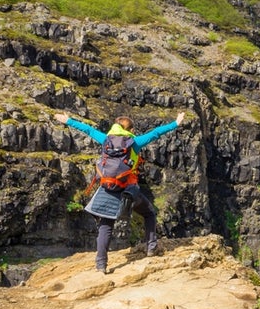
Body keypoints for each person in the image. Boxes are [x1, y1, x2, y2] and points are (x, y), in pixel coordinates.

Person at [54, 111, 185, 272]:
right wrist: (176, 123)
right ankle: (151, 247)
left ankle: (101, 265)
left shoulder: (105, 140)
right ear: (131, 129)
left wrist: (67, 120)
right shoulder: (134, 142)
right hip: (128, 191)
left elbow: (87, 129)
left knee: (106, 226)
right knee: (149, 212)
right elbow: (156, 133)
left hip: (107, 190)